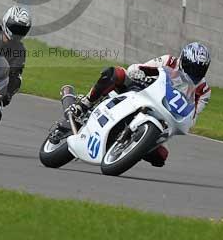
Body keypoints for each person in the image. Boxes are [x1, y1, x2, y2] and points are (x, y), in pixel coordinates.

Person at [69, 42, 211, 167]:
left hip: (163, 116)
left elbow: (192, 116)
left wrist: (185, 123)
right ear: (183, 60)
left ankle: (128, 147)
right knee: (116, 73)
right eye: (191, 67)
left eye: (199, 70)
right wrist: (139, 73)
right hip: (141, 91)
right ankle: (85, 103)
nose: (194, 73)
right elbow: (138, 68)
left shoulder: (203, 90)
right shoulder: (168, 61)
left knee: (160, 157)